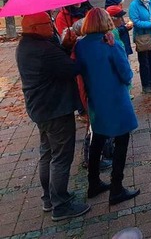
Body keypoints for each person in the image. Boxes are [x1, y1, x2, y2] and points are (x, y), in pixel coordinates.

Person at [16, 12, 91, 221]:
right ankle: (61, 205)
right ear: (35, 28)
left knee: (47, 153)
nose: (51, 27)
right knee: (61, 156)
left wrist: (64, 46)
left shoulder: (27, 45)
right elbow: (73, 68)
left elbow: (58, 65)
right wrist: (75, 47)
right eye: (47, 24)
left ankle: (49, 198)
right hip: (55, 108)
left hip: (40, 109)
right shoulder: (43, 49)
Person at [75, 8, 140, 206]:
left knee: (97, 140)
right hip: (116, 100)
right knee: (122, 141)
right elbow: (126, 74)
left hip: (96, 100)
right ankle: (117, 188)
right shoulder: (110, 43)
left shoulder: (80, 46)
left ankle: (93, 182)